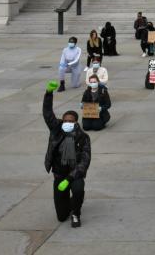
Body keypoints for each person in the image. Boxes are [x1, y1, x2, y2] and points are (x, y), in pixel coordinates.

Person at [43, 83, 91, 228]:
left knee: (77, 190)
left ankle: (76, 212)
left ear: (76, 122)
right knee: (61, 216)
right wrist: (48, 93)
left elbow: (85, 160)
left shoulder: (82, 137)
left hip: (74, 174)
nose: (67, 123)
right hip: (59, 175)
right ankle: (69, 205)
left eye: (71, 121)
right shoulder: (56, 130)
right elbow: (47, 113)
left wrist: (70, 177)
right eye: (65, 121)